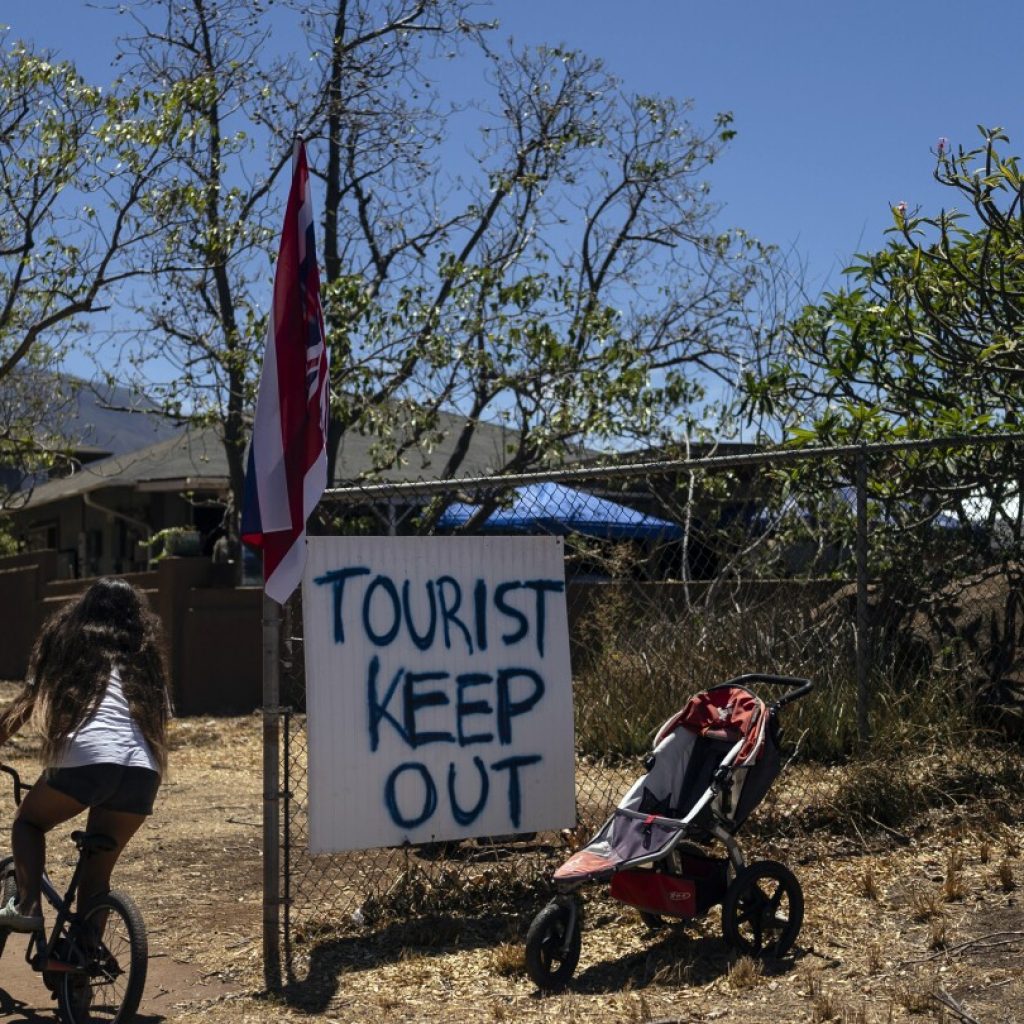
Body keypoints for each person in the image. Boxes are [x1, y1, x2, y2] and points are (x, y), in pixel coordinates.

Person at [0, 577, 171, 932]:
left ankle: (28, 905)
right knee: (96, 879)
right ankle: (82, 970)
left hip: (86, 758)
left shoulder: (65, 641)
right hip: (143, 770)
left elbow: (26, 704)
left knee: (28, 823)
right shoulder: (144, 658)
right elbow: (161, 719)